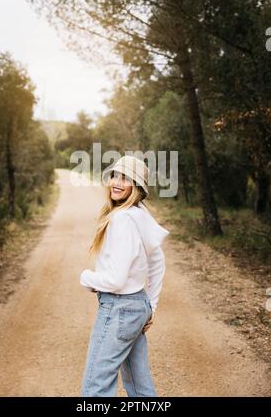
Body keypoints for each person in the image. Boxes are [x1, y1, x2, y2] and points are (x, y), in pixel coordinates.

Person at [79, 155, 169, 397]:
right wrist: (151, 304)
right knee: (140, 387)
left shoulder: (121, 219)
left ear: (137, 187)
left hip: (118, 308)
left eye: (126, 179)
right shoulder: (139, 213)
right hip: (137, 305)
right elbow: (158, 261)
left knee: (95, 387)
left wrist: (86, 278)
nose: (117, 183)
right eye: (115, 176)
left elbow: (115, 281)